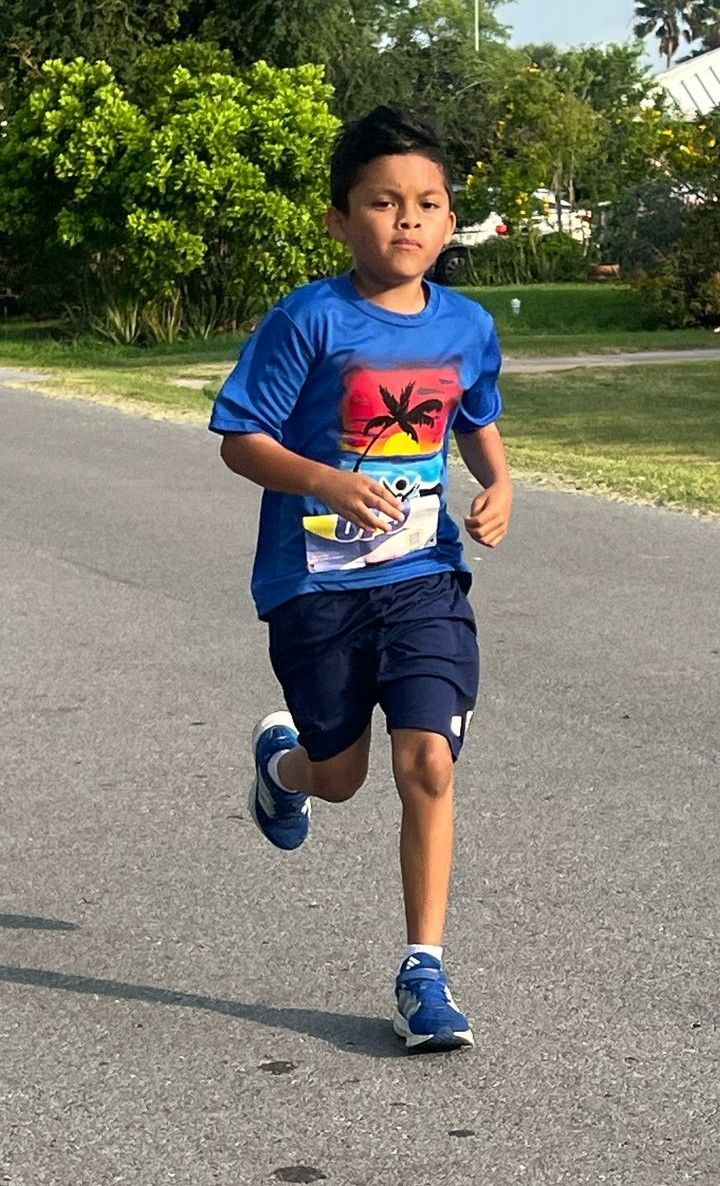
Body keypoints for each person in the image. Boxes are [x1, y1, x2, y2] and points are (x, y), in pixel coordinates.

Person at [210, 105, 512, 1053]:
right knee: (338, 778)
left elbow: (474, 413)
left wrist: (500, 483)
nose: (408, 220)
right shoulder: (310, 317)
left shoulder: (465, 324)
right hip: (315, 589)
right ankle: (284, 766)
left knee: (426, 758)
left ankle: (424, 971)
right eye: (383, 203)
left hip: (424, 579)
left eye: (427, 203)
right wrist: (325, 478)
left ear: (449, 219)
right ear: (341, 220)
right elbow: (240, 440)